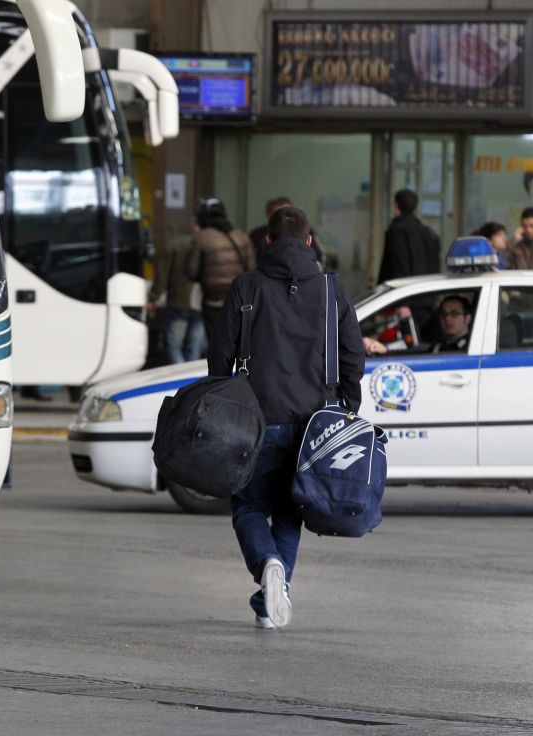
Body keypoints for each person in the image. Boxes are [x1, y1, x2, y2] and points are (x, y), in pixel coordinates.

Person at [207, 205, 363, 630]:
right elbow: (353, 353)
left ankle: (268, 565)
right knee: (290, 511)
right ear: (310, 241)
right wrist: (349, 404)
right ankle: (272, 603)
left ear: (268, 241)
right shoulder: (333, 289)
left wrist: (225, 405)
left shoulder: (246, 287)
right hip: (316, 424)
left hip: (258, 419)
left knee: (248, 506)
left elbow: (220, 354)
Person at [185, 197, 255, 341]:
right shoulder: (242, 237)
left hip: (213, 300)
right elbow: (252, 269)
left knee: (217, 341)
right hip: (240, 298)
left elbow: (191, 272)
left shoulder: (201, 238)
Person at [150, 223, 204, 363]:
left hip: (179, 299)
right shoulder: (211, 245)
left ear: (192, 226)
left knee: (173, 343)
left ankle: (178, 373)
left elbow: (162, 275)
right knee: (195, 346)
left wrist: (154, 297)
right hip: (202, 300)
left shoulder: (175, 245)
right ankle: (191, 379)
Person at [363, 295, 473, 355]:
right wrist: (385, 349)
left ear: (467, 319)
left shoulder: (470, 347)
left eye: (454, 313)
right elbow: (419, 349)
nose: (447, 318)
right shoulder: (442, 346)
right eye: (443, 314)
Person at [377, 188, 441, 283]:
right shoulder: (428, 233)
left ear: (396, 206)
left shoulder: (396, 232)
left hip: (403, 293)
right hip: (425, 291)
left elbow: (393, 269)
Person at [248, 196, 291, 261]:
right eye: (280, 215)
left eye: (289, 213)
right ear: (269, 215)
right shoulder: (257, 234)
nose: (285, 218)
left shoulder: (303, 232)